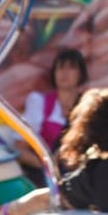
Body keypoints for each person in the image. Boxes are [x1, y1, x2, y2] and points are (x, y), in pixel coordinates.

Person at [15, 48, 88, 186]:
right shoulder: (38, 103)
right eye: (60, 68)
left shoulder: (88, 106)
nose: (64, 73)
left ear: (81, 74)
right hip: (46, 180)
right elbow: (19, 148)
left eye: (71, 68)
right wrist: (48, 166)